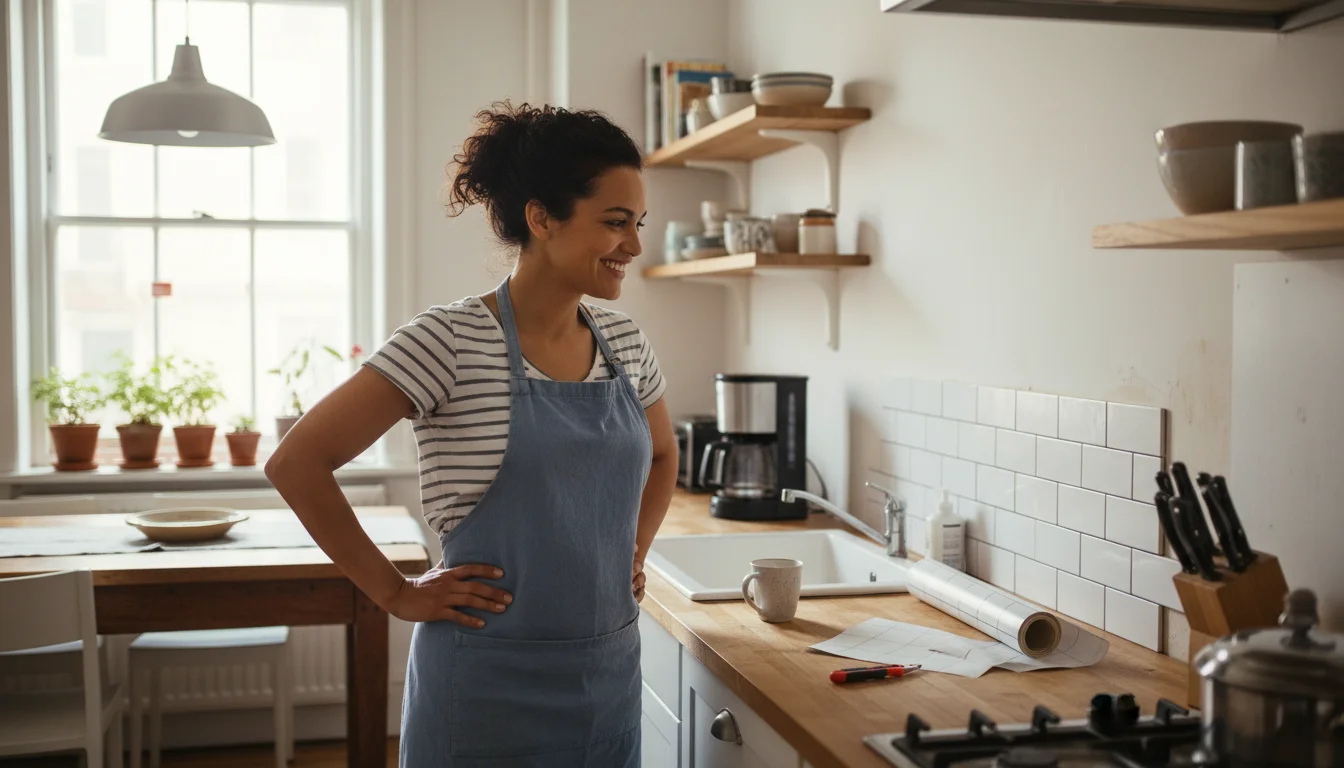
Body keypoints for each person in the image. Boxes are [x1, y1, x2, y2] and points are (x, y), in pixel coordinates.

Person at [266, 102, 679, 767]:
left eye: (637, 224)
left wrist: (632, 549)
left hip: (607, 676)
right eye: (614, 222)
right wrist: (394, 592)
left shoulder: (626, 343)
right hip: (486, 689)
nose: (633, 245)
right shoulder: (450, 341)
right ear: (541, 218)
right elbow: (297, 461)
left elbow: (663, 455)